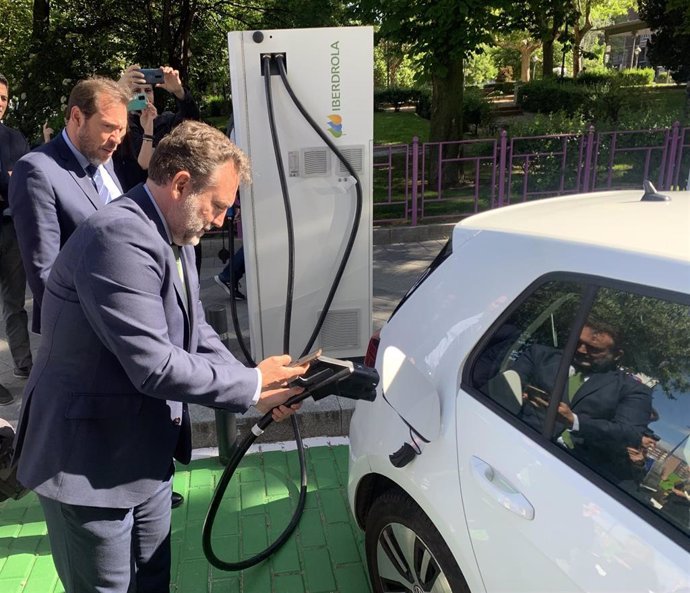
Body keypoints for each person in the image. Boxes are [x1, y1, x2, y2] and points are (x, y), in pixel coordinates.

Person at [12, 120, 309, 593]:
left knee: (152, 582)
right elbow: (154, 364)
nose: (219, 221)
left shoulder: (173, 232)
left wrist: (260, 382)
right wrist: (251, 388)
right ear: (182, 184)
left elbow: (193, 331)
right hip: (86, 463)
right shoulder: (118, 237)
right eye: (217, 206)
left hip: (143, 455)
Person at [9, 77, 129, 334]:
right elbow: (45, 274)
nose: (116, 139)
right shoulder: (36, 170)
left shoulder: (102, 156)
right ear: (77, 117)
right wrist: (94, 331)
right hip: (84, 330)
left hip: (124, 313)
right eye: (108, 127)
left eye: (121, 129)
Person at [512, 317, 653, 467]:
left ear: (617, 355)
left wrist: (575, 422)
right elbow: (507, 385)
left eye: (594, 349)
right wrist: (520, 393)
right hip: (517, 438)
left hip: (574, 467)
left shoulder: (632, 390)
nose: (581, 350)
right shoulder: (539, 356)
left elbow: (630, 433)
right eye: (578, 342)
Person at [0, 73, 33, 395]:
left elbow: (21, 184)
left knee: (14, 302)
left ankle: (24, 362)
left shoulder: (14, 138)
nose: (0, 104)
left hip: (10, 229)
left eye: (4, 99)